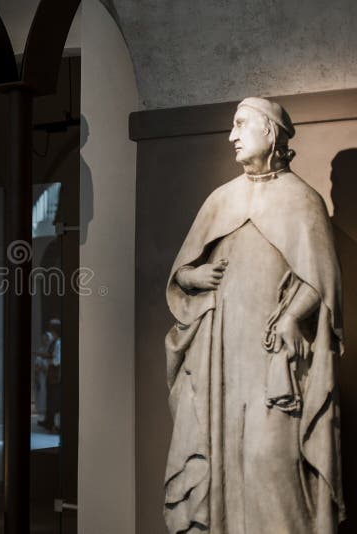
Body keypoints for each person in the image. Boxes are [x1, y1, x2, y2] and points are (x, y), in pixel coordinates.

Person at [164, 98, 344, 533]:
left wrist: (289, 317)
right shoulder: (221, 199)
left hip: (273, 364)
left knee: (272, 463)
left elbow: (322, 283)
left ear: (271, 131)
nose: (232, 136)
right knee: (222, 457)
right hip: (221, 361)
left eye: (241, 124)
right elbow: (182, 274)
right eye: (232, 126)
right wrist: (194, 276)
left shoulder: (302, 201)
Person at [33, 318, 61, 432]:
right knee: (50, 397)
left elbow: (56, 360)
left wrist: (43, 356)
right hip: (51, 372)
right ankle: (49, 420)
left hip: (54, 372)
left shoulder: (58, 342)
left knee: (53, 398)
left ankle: (51, 422)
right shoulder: (55, 342)